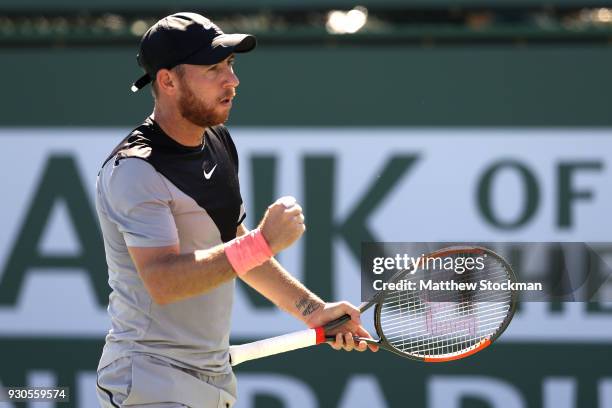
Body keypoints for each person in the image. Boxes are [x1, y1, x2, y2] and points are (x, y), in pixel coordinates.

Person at [95, 12, 376, 408]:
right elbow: (163, 281)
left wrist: (313, 310)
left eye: (230, 65)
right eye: (213, 68)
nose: (232, 80)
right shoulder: (135, 170)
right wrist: (263, 243)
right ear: (168, 80)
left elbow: (234, 245)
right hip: (150, 380)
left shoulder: (217, 140)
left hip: (212, 378)